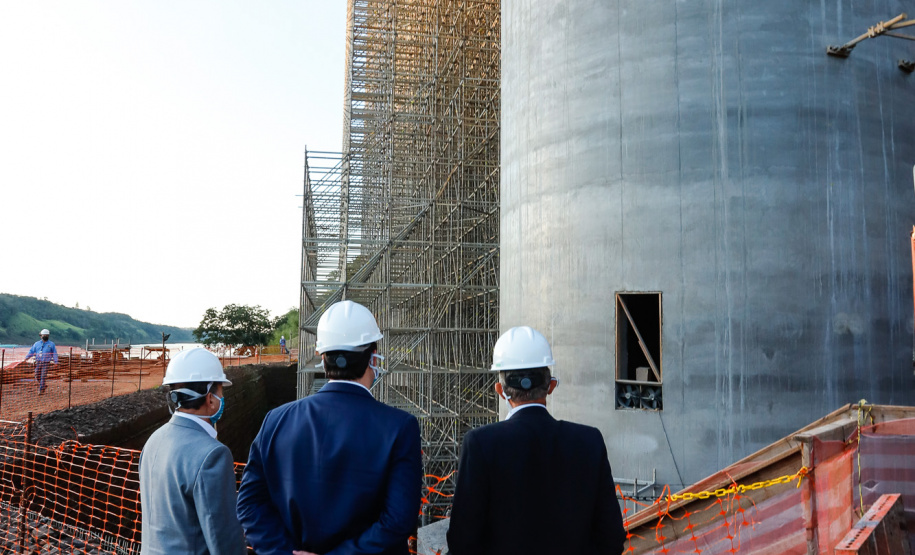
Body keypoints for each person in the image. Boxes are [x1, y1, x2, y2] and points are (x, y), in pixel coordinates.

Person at [237, 300, 422, 555]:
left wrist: (282, 551)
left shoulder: (276, 420)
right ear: (373, 357)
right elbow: (399, 521)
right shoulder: (400, 427)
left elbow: (249, 502)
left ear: (323, 358)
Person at [446, 326, 627, 555]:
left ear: (500, 390)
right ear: (550, 386)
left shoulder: (481, 444)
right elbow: (611, 539)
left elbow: (462, 543)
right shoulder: (589, 441)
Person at [139, 348, 246, 555]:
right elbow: (224, 541)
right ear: (211, 399)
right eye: (220, 390)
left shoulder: (153, 441)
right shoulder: (213, 455)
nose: (222, 397)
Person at [25, 328, 57, 394]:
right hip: (38, 362)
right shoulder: (36, 344)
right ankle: (43, 385)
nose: (45, 336)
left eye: (47, 335)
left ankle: (41, 389)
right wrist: (26, 358)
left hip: (46, 363)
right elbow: (31, 351)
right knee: (37, 375)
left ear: (48, 336)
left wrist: (56, 361)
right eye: (44, 335)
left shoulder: (51, 344)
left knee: (43, 376)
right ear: (41, 335)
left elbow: (54, 353)